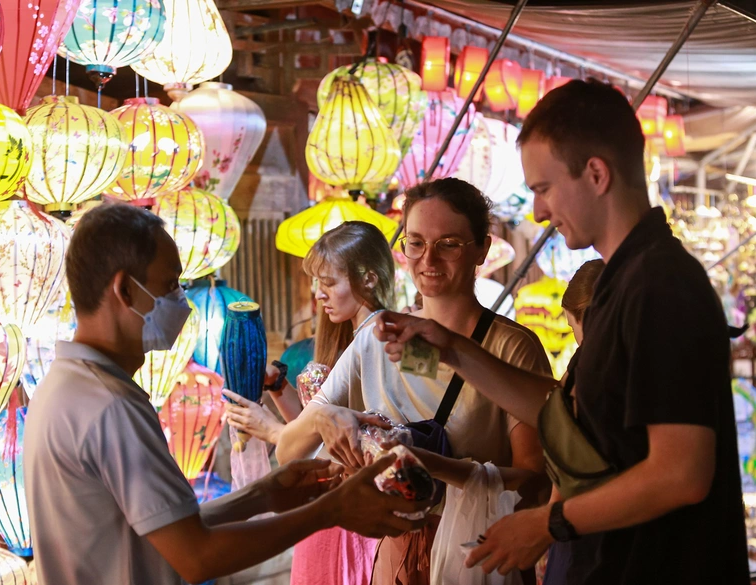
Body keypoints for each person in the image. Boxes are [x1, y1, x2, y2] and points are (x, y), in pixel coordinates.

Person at [374, 80, 749, 584]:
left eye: (543, 188)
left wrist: (548, 524)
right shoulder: (621, 280)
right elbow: (566, 418)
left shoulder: (661, 286)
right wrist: (455, 350)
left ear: (595, 173)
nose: (538, 213)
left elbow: (681, 473)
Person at [23, 203, 429, 585]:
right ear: (125, 291)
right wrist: (330, 510)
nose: (179, 300)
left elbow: (173, 527)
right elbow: (198, 555)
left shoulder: (63, 387)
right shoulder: (108, 406)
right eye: (169, 285)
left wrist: (262, 495)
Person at [277, 178, 552, 584]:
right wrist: (328, 418)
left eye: (449, 244)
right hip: (394, 553)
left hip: (478, 554)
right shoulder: (377, 336)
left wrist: (431, 466)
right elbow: (288, 450)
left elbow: (534, 480)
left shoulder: (511, 348)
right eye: (416, 242)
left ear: (482, 249)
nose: (429, 259)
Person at [225, 220, 397, 585]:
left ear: (368, 278)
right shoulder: (352, 334)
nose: (319, 293)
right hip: (330, 496)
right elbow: (313, 431)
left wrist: (268, 429)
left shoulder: (376, 336)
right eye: (317, 283)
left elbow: (300, 446)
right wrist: (277, 387)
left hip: (347, 499)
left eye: (329, 282)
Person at [541, 258, 604, 585]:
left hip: (581, 531)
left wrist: (543, 529)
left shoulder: (586, 373)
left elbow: (568, 467)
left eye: (571, 326)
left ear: (583, 317)